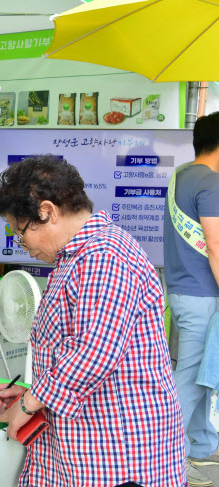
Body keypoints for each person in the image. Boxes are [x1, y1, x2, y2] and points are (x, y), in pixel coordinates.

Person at [0, 156, 185, 487]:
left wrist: (30, 402)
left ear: (47, 212)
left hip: (120, 454)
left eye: (19, 233)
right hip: (90, 443)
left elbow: (92, 352)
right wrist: (35, 392)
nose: (23, 246)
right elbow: (72, 349)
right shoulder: (78, 256)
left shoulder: (104, 257)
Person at [164, 112, 219, 486]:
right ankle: (162, 451)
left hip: (182, 291)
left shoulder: (181, 176)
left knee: (198, 371)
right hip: (203, 293)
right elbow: (215, 246)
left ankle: (200, 445)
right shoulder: (211, 182)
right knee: (195, 378)